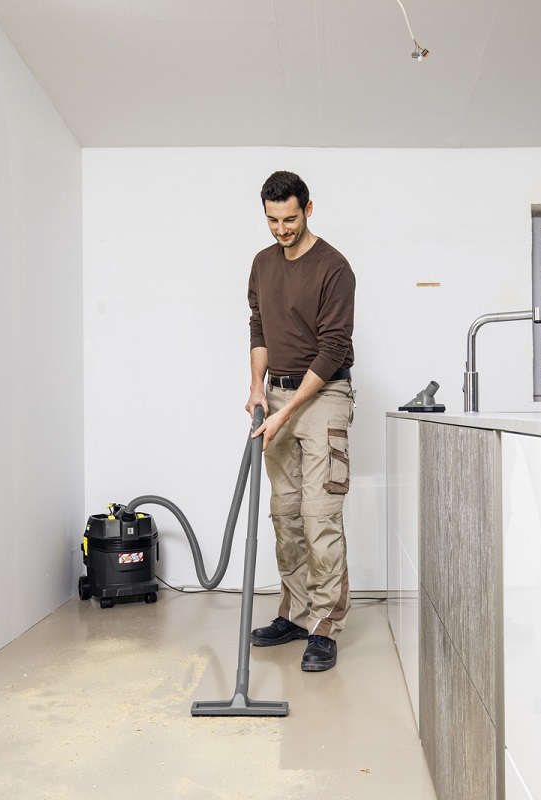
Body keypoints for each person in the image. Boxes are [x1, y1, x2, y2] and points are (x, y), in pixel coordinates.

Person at [245, 170, 356, 673]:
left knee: (319, 516)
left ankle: (325, 624)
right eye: (272, 220)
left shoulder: (334, 268)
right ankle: (293, 613)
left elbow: (332, 349)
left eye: (289, 219)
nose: (281, 229)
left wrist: (286, 412)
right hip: (276, 394)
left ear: (308, 209)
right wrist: (257, 389)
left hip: (324, 395)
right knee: (285, 514)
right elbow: (259, 327)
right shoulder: (262, 263)